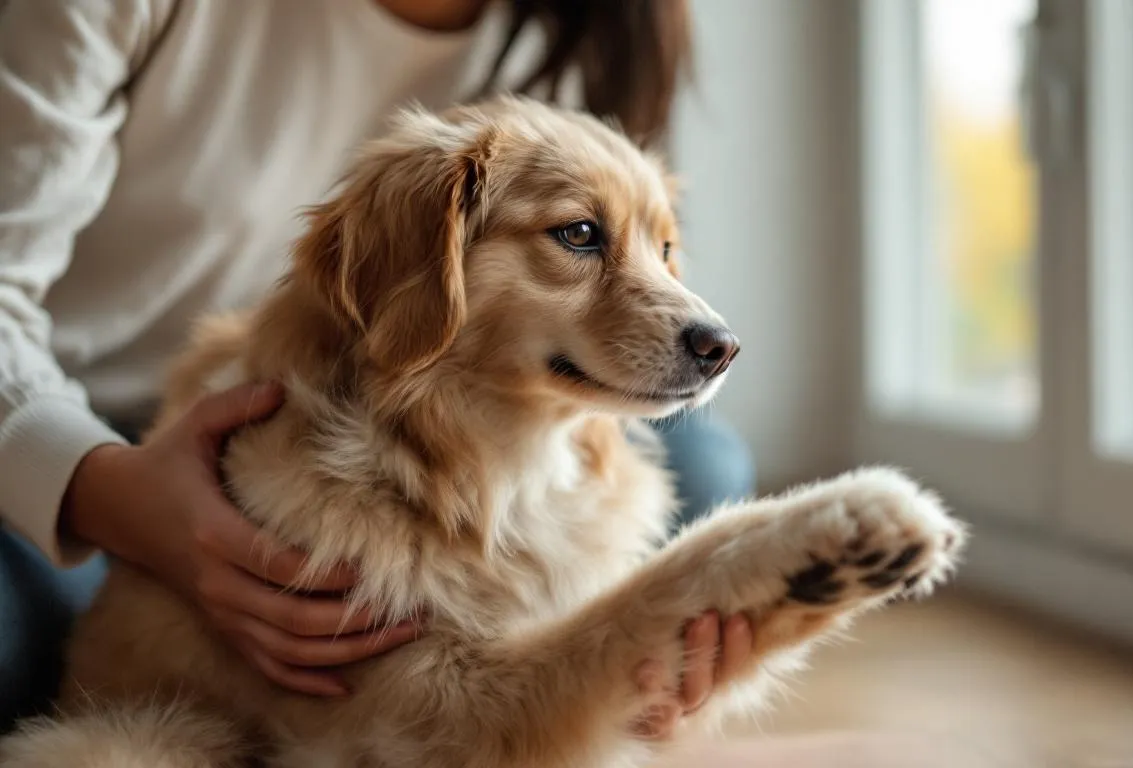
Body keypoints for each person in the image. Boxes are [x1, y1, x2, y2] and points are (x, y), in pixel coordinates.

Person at [0, 0, 754, 733]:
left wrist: (611, 651)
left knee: (705, 471)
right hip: (66, 421)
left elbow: (615, 293)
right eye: (580, 234)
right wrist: (112, 496)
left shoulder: (592, 26)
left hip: (369, 404)